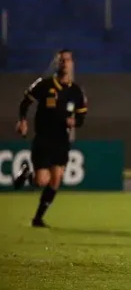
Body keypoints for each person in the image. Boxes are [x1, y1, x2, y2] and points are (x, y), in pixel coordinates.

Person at [13, 49, 88, 227]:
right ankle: (28, 175)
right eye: (62, 60)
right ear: (57, 63)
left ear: (72, 64)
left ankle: (38, 218)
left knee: (56, 180)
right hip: (44, 139)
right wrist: (22, 120)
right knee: (42, 181)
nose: (65, 63)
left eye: (68, 60)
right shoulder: (44, 85)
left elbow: (81, 118)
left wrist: (74, 121)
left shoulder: (77, 92)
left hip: (62, 141)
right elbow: (26, 101)